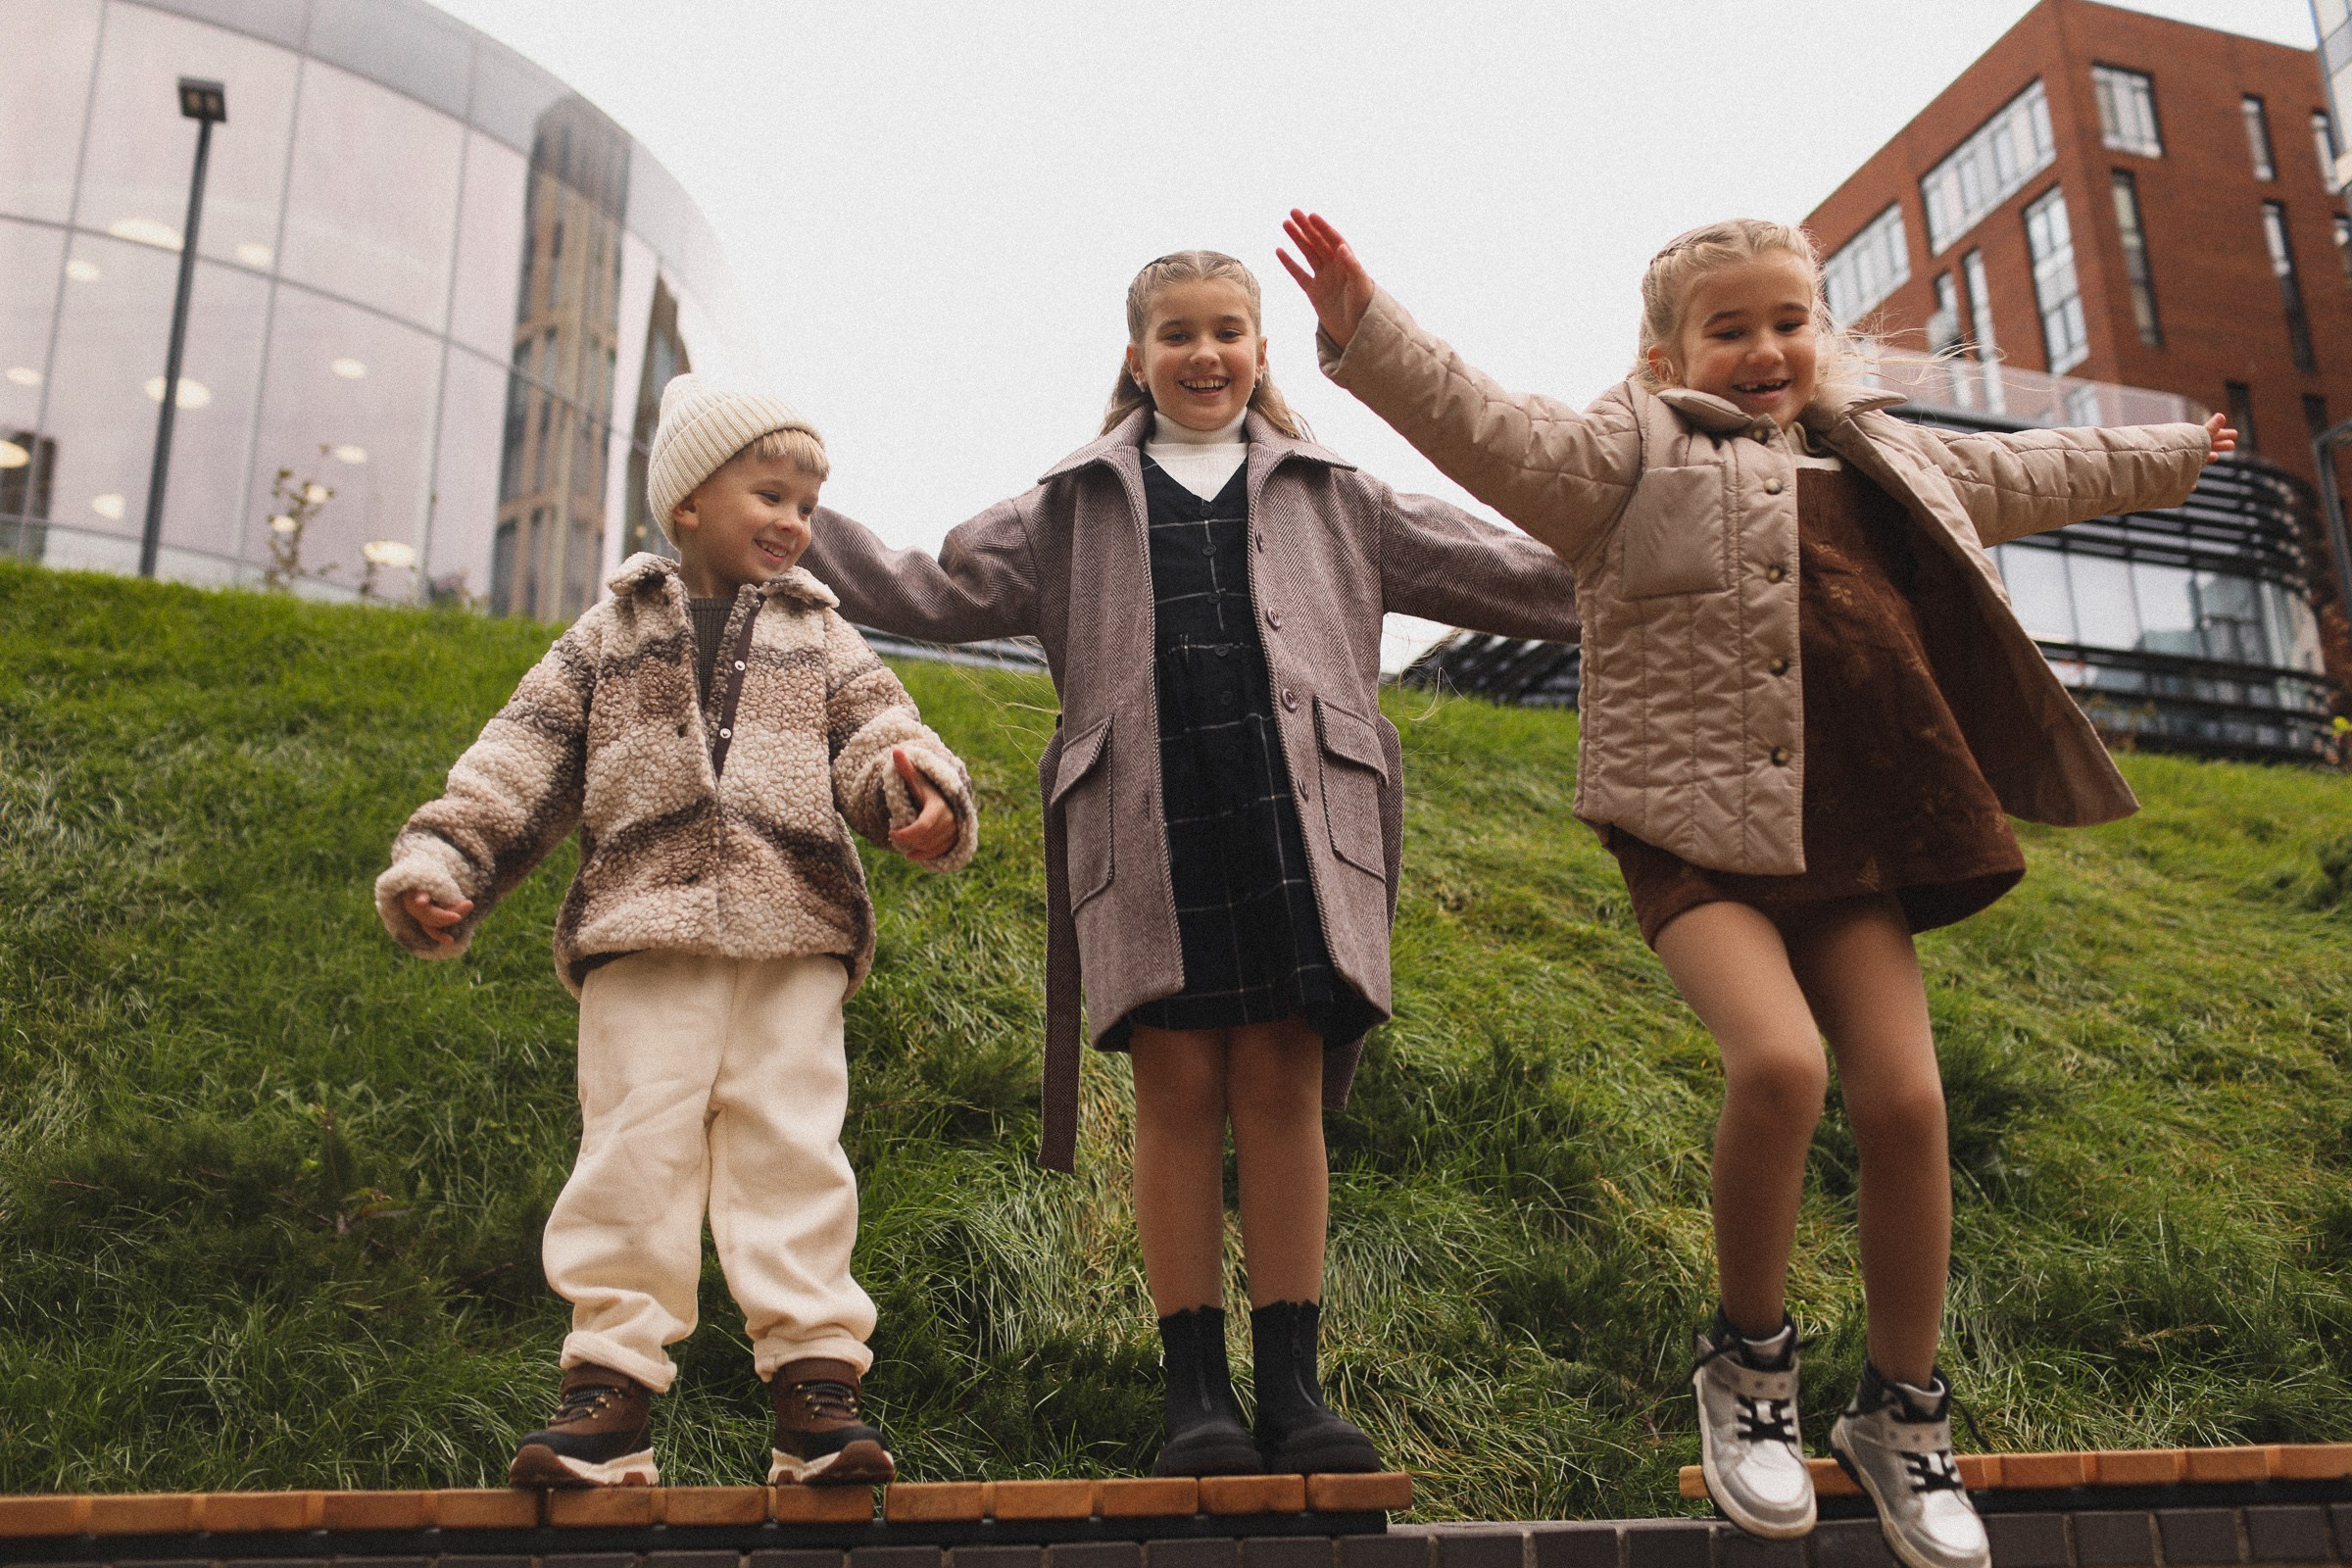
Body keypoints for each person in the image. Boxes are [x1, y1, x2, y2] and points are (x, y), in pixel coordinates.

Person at [1281, 210, 2230, 1568]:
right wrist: (1368, 327)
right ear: (1667, 349)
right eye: (1730, 329)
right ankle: (1750, 1372)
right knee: (1780, 1066)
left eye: (1789, 322)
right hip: (1691, 827)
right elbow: (1492, 429)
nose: (1766, 349)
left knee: (1907, 1100)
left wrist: (2174, 453)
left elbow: (2038, 473)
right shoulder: (1627, 453)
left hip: (1854, 829)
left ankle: (1903, 1415)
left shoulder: (1884, 452)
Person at [796, 250, 1581, 1476]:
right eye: (1177, 334)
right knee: (1174, 1098)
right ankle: (1195, 1398)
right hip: (1149, 828)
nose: (1204, 354)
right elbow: (929, 588)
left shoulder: (1342, 495)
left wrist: (1683, 560)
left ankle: (1295, 1392)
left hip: (1294, 823)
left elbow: (1520, 575)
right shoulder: (1066, 507)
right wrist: (789, 512)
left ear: (1264, 350)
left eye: (1229, 331)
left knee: (1279, 1088)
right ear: (1135, 354)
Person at [374, 374, 977, 1490]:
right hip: (642, 939)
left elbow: (882, 731)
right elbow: (517, 763)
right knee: (631, 1154)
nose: (795, 520)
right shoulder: (607, 635)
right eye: (770, 492)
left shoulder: (822, 632)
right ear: (688, 502)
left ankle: (815, 1393)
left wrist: (918, 794)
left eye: (807, 499)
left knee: (791, 1152)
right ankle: (607, 1393)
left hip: (792, 939)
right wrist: (441, 863)